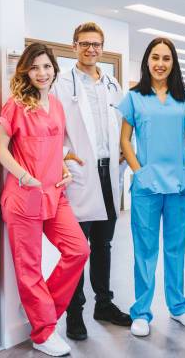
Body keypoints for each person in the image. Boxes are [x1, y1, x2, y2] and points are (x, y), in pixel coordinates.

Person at [0, 43, 90, 357]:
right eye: (35, 67)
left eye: (46, 66)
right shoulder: (15, 105)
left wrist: (62, 167)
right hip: (24, 198)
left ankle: (44, 310)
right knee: (29, 268)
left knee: (78, 250)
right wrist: (24, 176)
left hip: (54, 195)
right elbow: (1, 150)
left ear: (54, 70)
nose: (41, 73)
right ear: (26, 70)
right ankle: (43, 332)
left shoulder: (57, 105)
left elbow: (54, 147)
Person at [53, 22, 131, 341]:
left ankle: (104, 304)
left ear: (102, 47)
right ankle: (75, 313)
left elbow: (125, 124)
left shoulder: (112, 84)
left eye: (96, 44)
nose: (90, 49)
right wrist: (63, 156)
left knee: (103, 243)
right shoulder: (61, 84)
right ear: (74, 47)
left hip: (108, 172)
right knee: (77, 248)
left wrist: (126, 153)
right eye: (84, 44)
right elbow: (56, 128)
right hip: (80, 173)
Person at [118, 37, 185, 337]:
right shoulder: (134, 97)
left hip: (178, 185)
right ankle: (141, 312)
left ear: (173, 63)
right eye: (155, 57)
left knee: (176, 249)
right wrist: (139, 173)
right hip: (146, 187)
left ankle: (179, 307)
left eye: (167, 58)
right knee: (145, 250)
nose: (161, 63)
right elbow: (125, 140)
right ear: (147, 61)